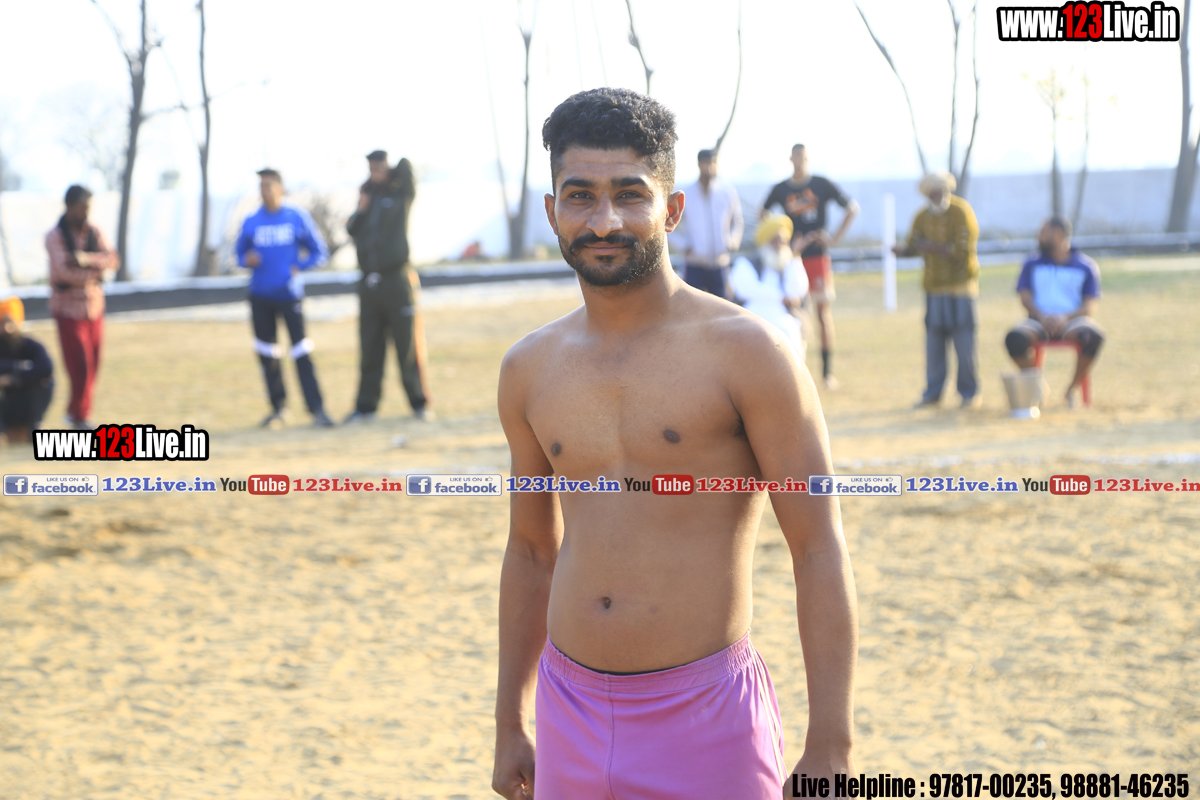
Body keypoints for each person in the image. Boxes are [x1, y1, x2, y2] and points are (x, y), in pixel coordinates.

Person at [492, 88, 857, 800]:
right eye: (581, 196)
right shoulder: (529, 368)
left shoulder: (750, 354)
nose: (604, 221)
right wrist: (510, 719)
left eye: (630, 195)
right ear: (553, 211)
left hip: (707, 715)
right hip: (568, 712)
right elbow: (531, 550)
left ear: (673, 209)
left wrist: (832, 744)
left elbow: (818, 547)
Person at [235, 168, 334, 428]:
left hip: (290, 296)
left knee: (301, 351)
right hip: (260, 296)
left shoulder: (296, 217)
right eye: (261, 186)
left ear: (280, 188)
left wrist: (300, 266)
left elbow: (319, 251)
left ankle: (317, 409)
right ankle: (278, 408)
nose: (264, 190)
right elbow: (239, 255)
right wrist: (247, 259)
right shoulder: (251, 221)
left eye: (269, 185)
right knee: (268, 354)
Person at [343, 150, 433, 423]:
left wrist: (392, 171)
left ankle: (419, 403)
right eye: (372, 169)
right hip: (369, 284)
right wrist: (362, 206)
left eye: (380, 168)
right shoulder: (368, 199)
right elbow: (351, 229)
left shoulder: (400, 195)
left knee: (407, 347)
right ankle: (365, 407)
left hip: (396, 280)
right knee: (370, 347)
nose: (376, 173)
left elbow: (407, 170)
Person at [762, 144, 858, 389]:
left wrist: (834, 238)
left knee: (823, 314)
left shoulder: (822, 184)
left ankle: (827, 373)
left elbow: (852, 208)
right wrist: (781, 235)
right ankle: (794, 371)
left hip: (817, 257)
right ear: (790, 158)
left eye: (803, 157)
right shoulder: (781, 189)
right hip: (792, 258)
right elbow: (763, 213)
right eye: (796, 156)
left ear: (807, 158)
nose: (799, 161)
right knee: (793, 311)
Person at [894, 171, 981, 409]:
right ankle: (933, 393)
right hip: (934, 288)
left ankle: (969, 393)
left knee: (964, 342)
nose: (937, 196)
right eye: (933, 193)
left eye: (940, 191)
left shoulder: (961, 211)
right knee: (934, 343)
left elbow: (962, 250)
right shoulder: (922, 217)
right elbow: (913, 245)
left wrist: (929, 247)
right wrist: (902, 251)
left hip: (961, 287)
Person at [1004, 216, 1104, 407]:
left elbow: (1090, 305)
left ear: (1058, 235)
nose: (1038, 237)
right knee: (1014, 339)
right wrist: (1042, 316)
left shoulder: (1085, 265)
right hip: (1038, 320)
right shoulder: (1032, 263)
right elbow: (1025, 297)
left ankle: (1072, 389)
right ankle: (1037, 386)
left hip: (1072, 321)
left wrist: (1065, 318)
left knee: (1093, 336)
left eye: (1043, 232)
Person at [45, 184, 118, 430]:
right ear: (69, 207)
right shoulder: (55, 236)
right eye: (81, 208)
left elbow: (113, 259)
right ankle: (80, 416)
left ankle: (75, 412)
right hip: (68, 310)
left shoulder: (94, 232)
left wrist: (86, 260)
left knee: (94, 364)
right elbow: (62, 273)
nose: (86, 213)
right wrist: (96, 272)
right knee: (80, 364)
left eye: (88, 208)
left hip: (94, 308)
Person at [729, 213, 809, 358]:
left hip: (782, 320)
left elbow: (797, 291)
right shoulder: (746, 264)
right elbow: (746, 289)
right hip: (752, 318)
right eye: (775, 241)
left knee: (791, 335)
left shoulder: (789, 265)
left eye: (783, 241)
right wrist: (781, 297)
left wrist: (795, 258)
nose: (779, 245)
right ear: (766, 242)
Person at [670, 148, 744, 297]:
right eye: (706, 163)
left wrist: (732, 241)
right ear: (699, 164)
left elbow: (737, 221)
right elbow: (668, 224)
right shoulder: (686, 193)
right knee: (691, 306)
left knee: (722, 307)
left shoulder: (726, 192)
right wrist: (684, 246)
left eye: (713, 163)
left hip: (720, 264)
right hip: (694, 265)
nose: (710, 167)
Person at [0, 297, 53, 444]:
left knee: (46, 382)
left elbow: (46, 367)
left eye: (9, 322)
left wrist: (14, 379)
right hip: (5, 404)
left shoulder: (29, 345)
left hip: (25, 401)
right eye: (2, 323)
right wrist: (16, 366)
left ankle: (31, 428)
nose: (6, 328)